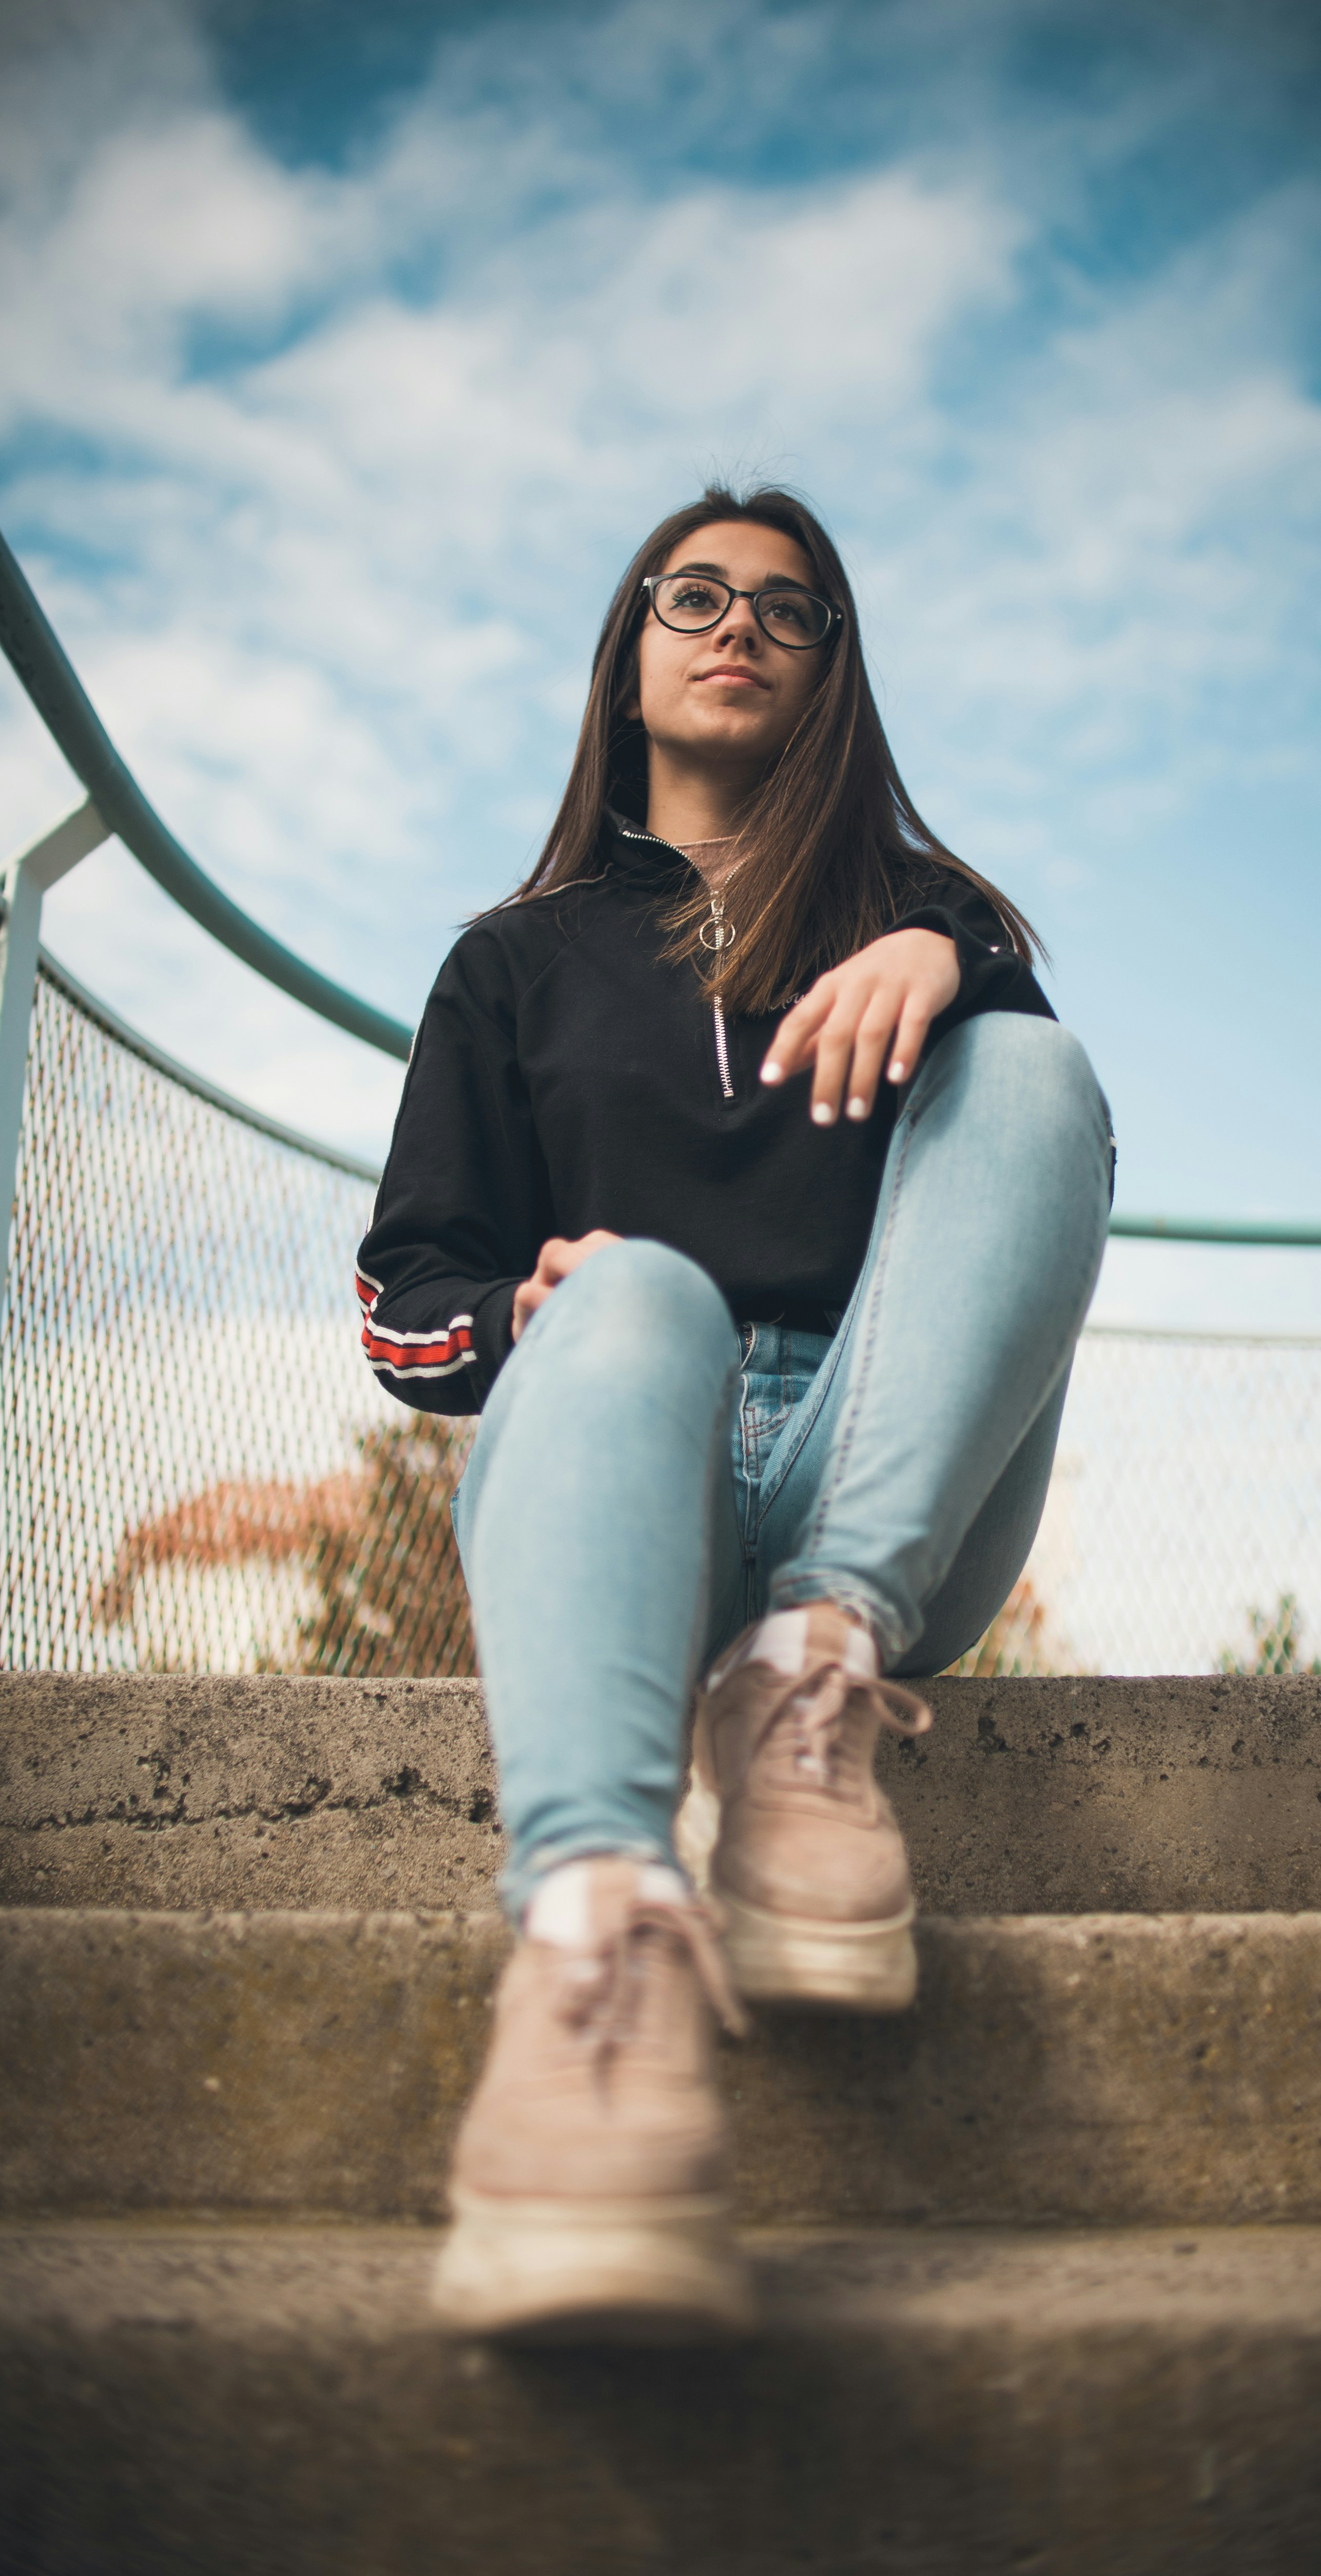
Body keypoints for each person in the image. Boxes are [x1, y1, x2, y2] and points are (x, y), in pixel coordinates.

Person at [356, 484, 1113, 2339]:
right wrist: (519, 1319)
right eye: (691, 596)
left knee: (1042, 1070)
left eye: (789, 610)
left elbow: (1023, 1182)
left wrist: (963, 960)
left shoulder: (938, 933)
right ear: (626, 654)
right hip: (639, 1477)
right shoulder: (511, 960)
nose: (736, 627)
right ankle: (591, 1935)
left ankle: (807, 1680)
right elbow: (403, 1303)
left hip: (886, 1490)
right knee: (632, 1291)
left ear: (832, 674)